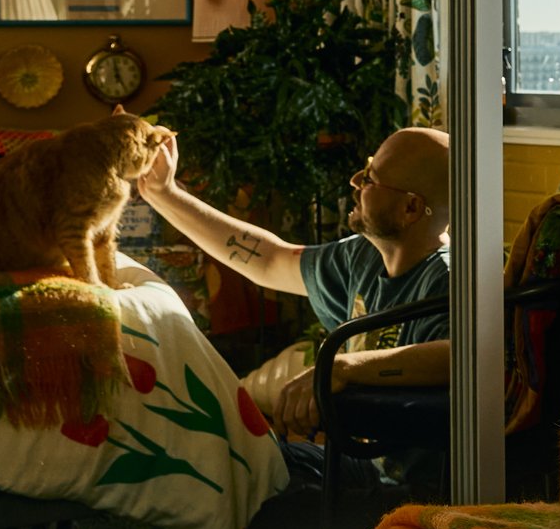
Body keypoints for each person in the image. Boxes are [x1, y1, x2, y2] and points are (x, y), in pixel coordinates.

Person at [137, 128, 453, 444]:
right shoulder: (362, 256)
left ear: (410, 209)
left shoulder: (448, 278)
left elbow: (465, 355)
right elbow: (269, 260)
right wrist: (164, 195)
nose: (355, 181)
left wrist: (342, 368)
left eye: (370, 178)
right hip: (359, 465)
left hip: (407, 485)